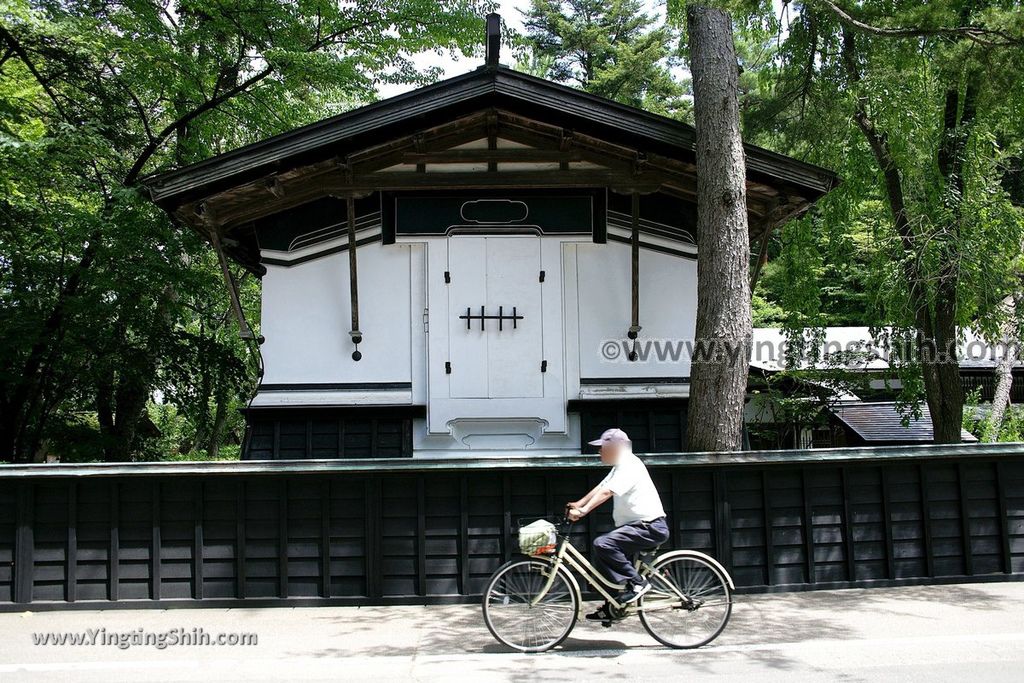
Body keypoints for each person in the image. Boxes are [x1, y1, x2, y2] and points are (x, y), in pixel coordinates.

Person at [567, 428, 669, 621]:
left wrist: (583, 511)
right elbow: (601, 488)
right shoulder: (619, 466)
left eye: (602, 448)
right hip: (637, 526)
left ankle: (638, 583)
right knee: (602, 558)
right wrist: (579, 504)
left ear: (616, 447)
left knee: (603, 544)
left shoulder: (629, 465)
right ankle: (612, 607)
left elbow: (608, 493)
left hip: (650, 526)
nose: (599, 452)